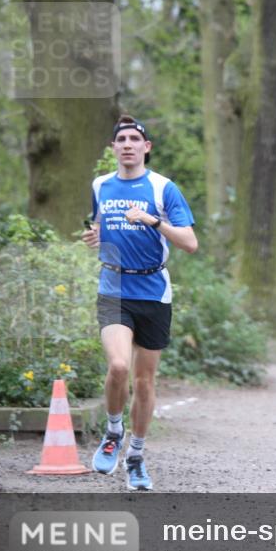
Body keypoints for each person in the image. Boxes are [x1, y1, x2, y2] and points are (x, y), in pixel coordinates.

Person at [81, 115, 198, 491]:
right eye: (121, 139)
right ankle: (114, 432)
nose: (128, 144)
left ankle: (136, 456)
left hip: (154, 292)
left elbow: (190, 243)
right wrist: (95, 235)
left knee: (144, 382)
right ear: (113, 148)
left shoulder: (164, 188)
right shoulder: (100, 185)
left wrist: (153, 222)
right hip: (113, 287)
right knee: (118, 366)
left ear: (146, 148)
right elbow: (100, 223)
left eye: (135, 139)